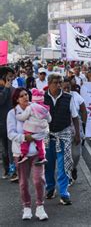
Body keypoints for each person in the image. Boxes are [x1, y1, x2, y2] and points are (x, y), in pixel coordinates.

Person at [7, 88, 48, 221]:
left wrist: (40, 134)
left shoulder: (36, 108)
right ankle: (26, 207)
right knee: (23, 183)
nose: (25, 97)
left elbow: (45, 126)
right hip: (20, 153)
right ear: (16, 99)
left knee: (38, 180)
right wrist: (26, 138)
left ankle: (40, 207)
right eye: (21, 96)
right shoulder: (12, 113)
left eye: (26, 94)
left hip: (37, 152)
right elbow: (11, 134)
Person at [44, 73, 81, 205]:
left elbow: (75, 117)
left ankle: (64, 193)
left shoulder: (68, 98)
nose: (59, 85)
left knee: (63, 166)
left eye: (60, 82)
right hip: (47, 137)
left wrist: (77, 133)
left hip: (64, 135)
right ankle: (50, 188)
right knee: (48, 165)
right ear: (49, 83)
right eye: (56, 82)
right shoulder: (42, 98)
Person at [61, 78, 87, 185]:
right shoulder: (59, 97)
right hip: (63, 129)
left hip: (76, 126)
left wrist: (83, 124)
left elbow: (83, 110)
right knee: (65, 155)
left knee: (76, 155)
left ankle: (74, 168)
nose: (67, 89)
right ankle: (68, 176)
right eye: (64, 87)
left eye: (68, 87)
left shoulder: (75, 95)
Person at [15, 88, 51, 165]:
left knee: (25, 141)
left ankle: (23, 154)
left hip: (30, 129)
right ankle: (42, 157)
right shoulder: (45, 109)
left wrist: (17, 116)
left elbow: (23, 117)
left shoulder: (30, 107)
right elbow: (49, 119)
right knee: (40, 143)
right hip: (40, 130)